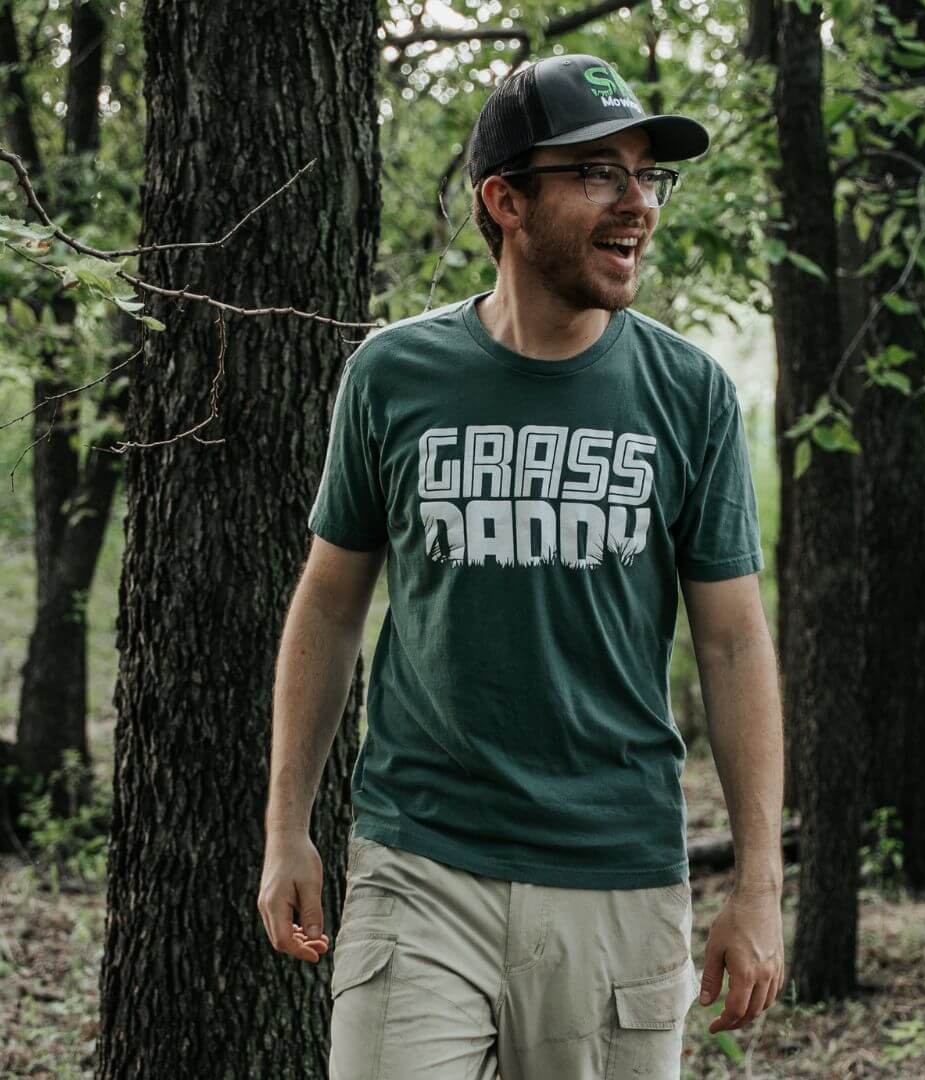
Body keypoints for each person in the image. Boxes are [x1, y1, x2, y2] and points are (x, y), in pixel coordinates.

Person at [258, 52, 785, 1080]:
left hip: (618, 877)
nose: (638, 203)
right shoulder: (393, 375)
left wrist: (759, 885)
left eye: (648, 176)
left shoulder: (689, 394)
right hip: (421, 863)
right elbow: (328, 604)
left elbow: (732, 642)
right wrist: (287, 829)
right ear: (506, 201)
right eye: (599, 174)